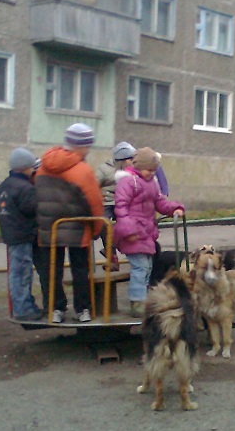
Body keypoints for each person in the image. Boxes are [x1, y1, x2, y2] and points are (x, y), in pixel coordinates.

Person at [34, 123, 104, 323]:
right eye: (88, 146)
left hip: (48, 229)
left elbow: (36, 196)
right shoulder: (83, 171)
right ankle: (83, 310)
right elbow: (94, 203)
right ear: (81, 146)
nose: (89, 150)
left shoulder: (42, 167)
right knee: (80, 270)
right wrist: (96, 229)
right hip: (77, 228)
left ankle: (55, 309)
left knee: (52, 271)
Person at [113, 147, 184, 318]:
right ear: (138, 166)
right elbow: (121, 208)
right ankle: (137, 302)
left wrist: (174, 208)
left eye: (154, 170)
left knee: (147, 267)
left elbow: (160, 202)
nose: (151, 173)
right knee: (140, 267)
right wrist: (128, 230)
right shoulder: (128, 182)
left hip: (146, 233)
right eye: (148, 169)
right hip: (133, 233)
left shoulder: (151, 183)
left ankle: (142, 299)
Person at [0, 147, 43, 321]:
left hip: (10, 234)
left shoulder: (4, 185)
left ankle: (25, 305)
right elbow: (31, 209)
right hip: (23, 234)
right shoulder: (25, 188)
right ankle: (24, 309)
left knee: (17, 272)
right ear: (26, 167)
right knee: (22, 273)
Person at [95, 141, 137, 270]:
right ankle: (112, 255)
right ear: (122, 159)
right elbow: (94, 184)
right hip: (108, 201)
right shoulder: (104, 169)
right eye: (131, 159)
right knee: (104, 223)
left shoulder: (133, 171)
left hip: (124, 202)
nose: (133, 161)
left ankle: (130, 253)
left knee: (128, 225)